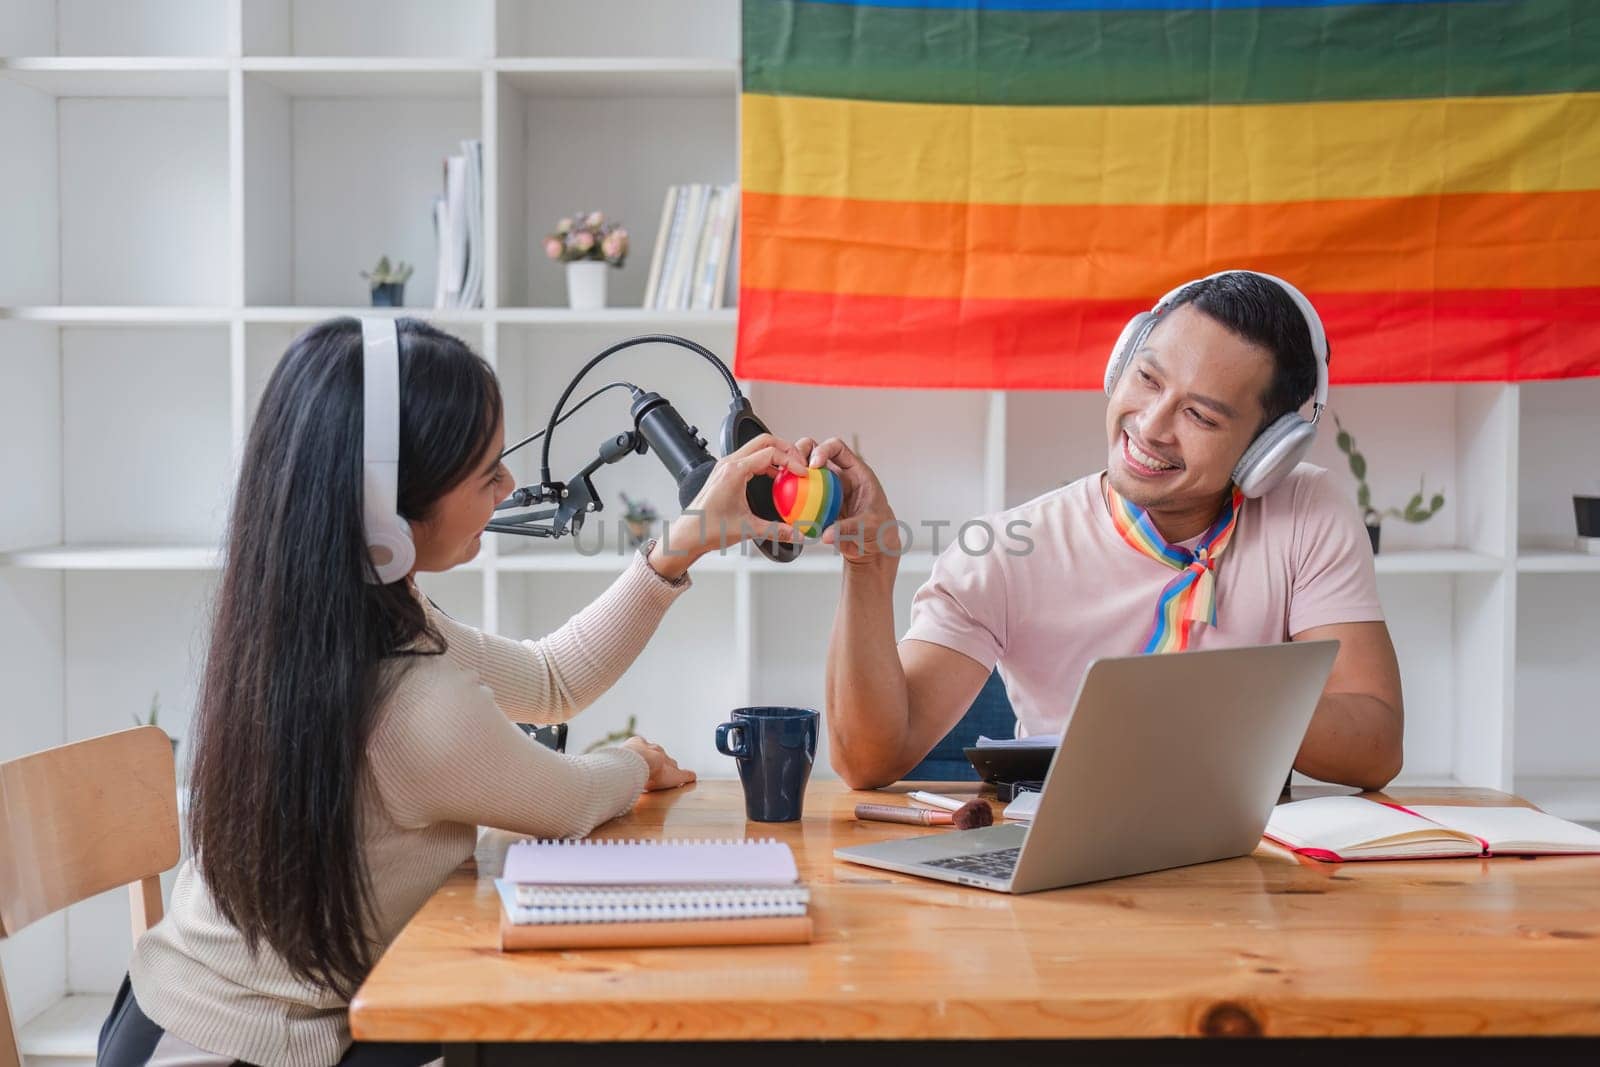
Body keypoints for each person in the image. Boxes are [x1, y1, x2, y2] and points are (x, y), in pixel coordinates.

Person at [97, 318, 808, 1067]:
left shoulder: (323, 618)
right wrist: (633, 759)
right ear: (387, 513)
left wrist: (684, 541)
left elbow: (549, 679)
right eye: (486, 473)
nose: (508, 486)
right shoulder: (412, 706)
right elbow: (568, 801)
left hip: (173, 1014)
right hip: (229, 1051)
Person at [805, 271, 1404, 792]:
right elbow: (867, 760)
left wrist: (1215, 702)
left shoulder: (1306, 509)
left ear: (1267, 452)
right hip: (1064, 865)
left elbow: (1376, 745)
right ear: (1120, 364)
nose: (1150, 426)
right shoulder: (1008, 551)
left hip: (1243, 868)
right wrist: (867, 569)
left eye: (1199, 415)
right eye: (1146, 379)